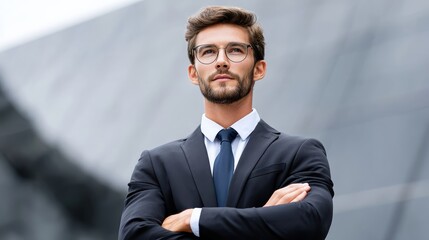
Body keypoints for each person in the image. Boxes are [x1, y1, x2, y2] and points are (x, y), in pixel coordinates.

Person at [118, 5, 334, 240]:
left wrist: (194, 219)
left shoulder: (299, 154)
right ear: (193, 73)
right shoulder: (157, 165)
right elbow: (135, 235)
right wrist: (262, 223)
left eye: (235, 50)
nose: (221, 61)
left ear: (258, 69)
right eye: (208, 52)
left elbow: (310, 220)